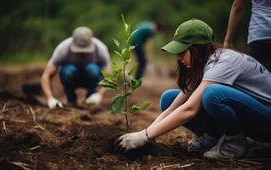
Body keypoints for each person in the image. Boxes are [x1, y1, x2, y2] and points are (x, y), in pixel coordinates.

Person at [114, 18, 271, 160]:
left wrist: (144, 136)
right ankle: (212, 136)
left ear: (197, 49)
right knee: (169, 98)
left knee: (213, 94)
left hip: (266, 122)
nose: (178, 57)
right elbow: (175, 106)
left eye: (181, 51)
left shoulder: (223, 62)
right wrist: (147, 134)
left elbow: (190, 109)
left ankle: (235, 144)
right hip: (253, 116)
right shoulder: (204, 65)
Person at [41, 26, 112, 109]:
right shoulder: (62, 49)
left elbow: (109, 76)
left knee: (93, 70)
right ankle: (71, 100)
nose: (82, 53)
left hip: (91, 78)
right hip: (70, 77)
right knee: (68, 71)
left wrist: (99, 94)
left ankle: (91, 96)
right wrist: (50, 98)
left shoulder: (101, 49)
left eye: (85, 51)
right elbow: (46, 75)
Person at [224, 0, 271, 72]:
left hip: (259, 33)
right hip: (259, 35)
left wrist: (228, 41)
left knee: (261, 77)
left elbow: (238, 6)